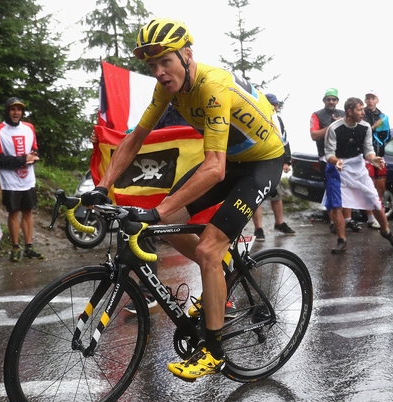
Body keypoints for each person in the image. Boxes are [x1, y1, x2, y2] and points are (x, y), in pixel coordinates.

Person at [81, 18, 286, 380]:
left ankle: (215, 350)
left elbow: (215, 170)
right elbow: (135, 137)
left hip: (260, 163)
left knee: (207, 248)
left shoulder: (213, 87)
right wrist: (103, 185)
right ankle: (220, 277)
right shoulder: (168, 88)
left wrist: (154, 210)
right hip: (231, 161)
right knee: (168, 226)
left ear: (187, 55)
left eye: (166, 62)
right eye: (152, 66)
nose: (159, 72)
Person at [323, 97, 393, 254]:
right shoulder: (334, 128)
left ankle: (386, 231)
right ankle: (342, 240)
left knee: (375, 201)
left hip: (358, 166)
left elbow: (368, 150)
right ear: (349, 111)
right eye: (360, 109)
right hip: (338, 168)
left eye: (363, 109)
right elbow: (328, 154)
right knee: (337, 206)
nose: (363, 112)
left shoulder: (365, 127)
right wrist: (336, 161)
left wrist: (374, 159)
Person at [0, 97, 45, 262]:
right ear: (7, 111)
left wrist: (33, 157)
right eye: (13, 109)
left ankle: (29, 245)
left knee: (28, 211)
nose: (16, 113)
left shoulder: (29, 128)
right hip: (10, 180)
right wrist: (22, 159)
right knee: (13, 212)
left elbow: (34, 149)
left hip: (27, 179)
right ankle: (15, 247)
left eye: (19, 110)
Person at [310, 88, 355, 232]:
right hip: (326, 157)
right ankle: (332, 221)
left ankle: (348, 220)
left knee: (347, 188)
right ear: (324, 100)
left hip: (344, 157)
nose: (331, 102)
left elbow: (353, 132)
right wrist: (331, 127)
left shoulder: (343, 114)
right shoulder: (317, 115)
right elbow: (314, 135)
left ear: (338, 101)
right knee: (331, 190)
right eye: (328, 99)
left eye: (334, 99)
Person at [251, 93, 295, 241]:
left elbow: (285, 141)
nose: (275, 107)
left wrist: (287, 161)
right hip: (256, 162)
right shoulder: (255, 116)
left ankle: (279, 223)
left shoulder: (278, 120)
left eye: (276, 105)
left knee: (276, 195)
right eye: (272, 105)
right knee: (256, 197)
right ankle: (258, 229)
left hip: (273, 162)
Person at [362, 90, 388, 229]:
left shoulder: (382, 116)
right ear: (365, 100)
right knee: (369, 188)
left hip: (380, 155)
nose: (370, 100)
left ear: (377, 100)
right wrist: (373, 127)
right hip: (367, 157)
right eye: (368, 98)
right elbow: (361, 133)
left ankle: (379, 215)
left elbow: (386, 135)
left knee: (381, 188)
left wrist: (380, 128)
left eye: (373, 98)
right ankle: (370, 218)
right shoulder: (362, 114)